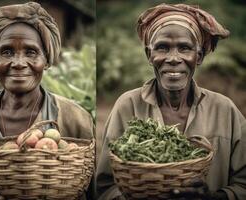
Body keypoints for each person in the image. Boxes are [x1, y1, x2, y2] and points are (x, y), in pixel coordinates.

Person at [96, 3, 246, 200]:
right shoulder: (128, 106)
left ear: (198, 56)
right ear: (149, 55)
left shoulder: (225, 110)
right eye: (162, 48)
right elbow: (105, 186)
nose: (173, 58)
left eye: (184, 48)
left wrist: (214, 197)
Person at [0, 2, 94, 200]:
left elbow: (94, 189)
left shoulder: (76, 118)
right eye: (6, 52)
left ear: (46, 60)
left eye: (31, 52)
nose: (18, 63)